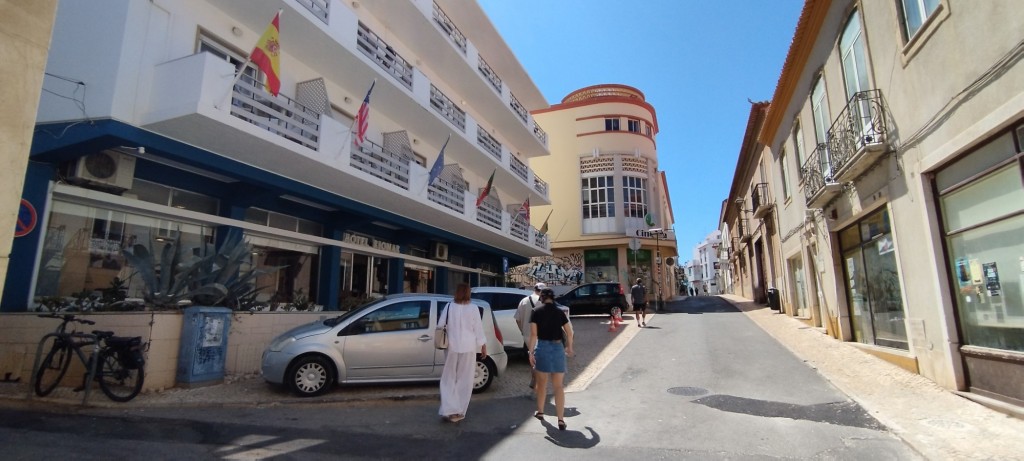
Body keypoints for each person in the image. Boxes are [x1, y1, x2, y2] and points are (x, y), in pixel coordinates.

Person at [438, 283, 487, 423]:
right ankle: (458, 410)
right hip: (468, 347)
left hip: (451, 347)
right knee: (465, 379)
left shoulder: (448, 306)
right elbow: (478, 329)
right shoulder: (473, 308)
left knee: (448, 378)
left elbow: (440, 325)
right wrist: (483, 345)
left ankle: (448, 408)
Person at [529, 288, 574, 431]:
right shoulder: (559, 312)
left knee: (542, 385)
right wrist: (569, 347)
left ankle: (541, 412)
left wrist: (530, 352)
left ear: (541, 298)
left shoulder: (536, 312)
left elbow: (533, 335)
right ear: (553, 298)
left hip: (542, 347)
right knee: (558, 386)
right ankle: (561, 420)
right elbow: (569, 332)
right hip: (557, 348)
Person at [516, 282, 545, 389]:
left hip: (527, 335)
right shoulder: (544, 302)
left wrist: (522, 331)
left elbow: (517, 319)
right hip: (540, 335)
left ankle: (534, 377)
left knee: (532, 357)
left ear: (534, 289)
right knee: (540, 359)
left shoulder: (524, 301)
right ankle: (538, 380)